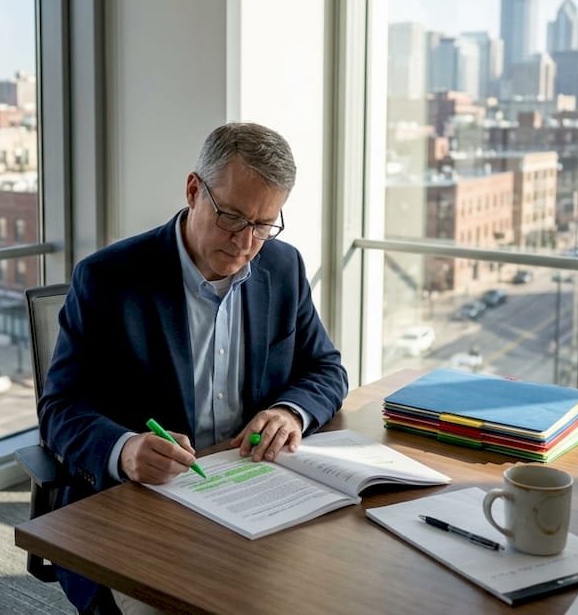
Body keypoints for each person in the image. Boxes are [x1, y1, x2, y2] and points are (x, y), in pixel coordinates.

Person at [40, 122, 348, 613]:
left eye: (264, 225)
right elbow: (60, 409)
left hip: (251, 488)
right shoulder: (109, 279)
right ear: (193, 190)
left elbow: (326, 368)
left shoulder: (283, 268)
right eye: (232, 217)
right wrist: (125, 449)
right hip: (143, 506)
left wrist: (290, 411)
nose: (246, 242)